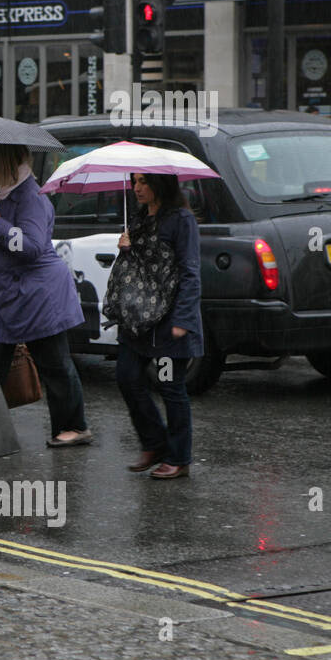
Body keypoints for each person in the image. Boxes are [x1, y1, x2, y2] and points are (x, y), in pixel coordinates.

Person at [0, 144, 91, 447]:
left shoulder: (30, 197)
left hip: (38, 296)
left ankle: (74, 427)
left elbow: (33, 246)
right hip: (5, 294)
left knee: (54, 363)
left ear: (3, 159)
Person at [116, 172, 202, 480]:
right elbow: (137, 269)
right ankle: (154, 442)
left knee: (170, 387)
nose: (137, 188)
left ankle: (178, 457)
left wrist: (183, 319)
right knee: (126, 376)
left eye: (143, 182)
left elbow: (190, 272)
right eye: (134, 182)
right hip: (139, 320)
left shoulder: (181, 220)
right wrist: (125, 249)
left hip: (168, 322)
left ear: (160, 183)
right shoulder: (138, 218)